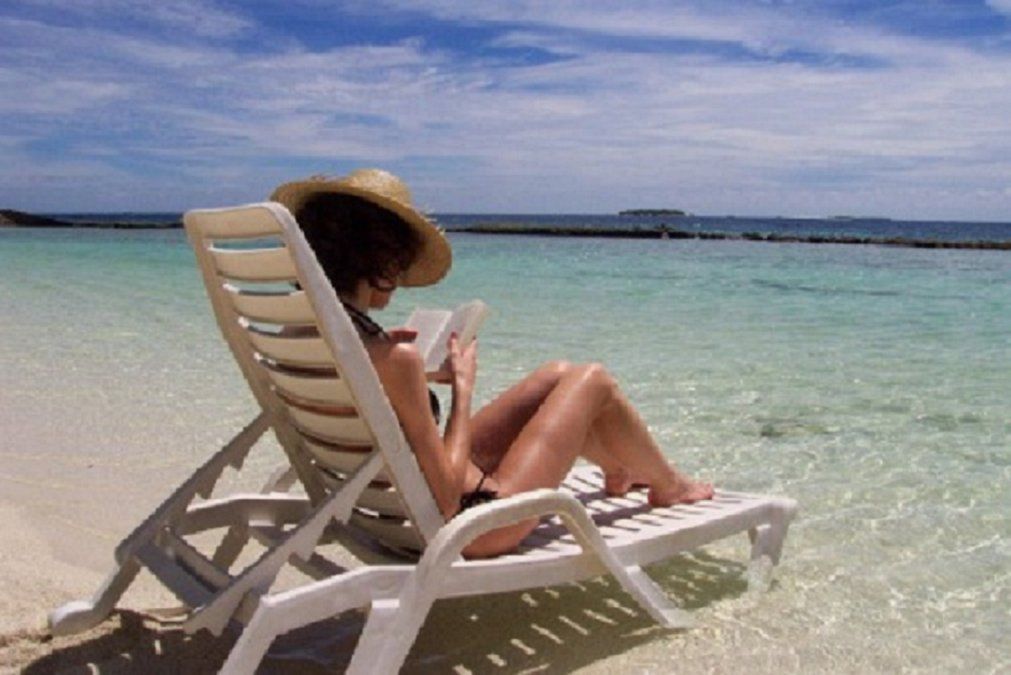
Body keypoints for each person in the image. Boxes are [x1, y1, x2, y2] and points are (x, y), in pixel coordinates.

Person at [271, 169, 714, 558]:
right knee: (592, 379)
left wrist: (411, 375)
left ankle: (619, 469)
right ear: (379, 261)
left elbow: (359, 407)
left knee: (557, 374)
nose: (402, 278)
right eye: (400, 263)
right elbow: (446, 499)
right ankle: (669, 485)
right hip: (475, 523)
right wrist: (462, 389)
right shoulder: (391, 359)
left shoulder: (304, 337)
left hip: (391, 506)